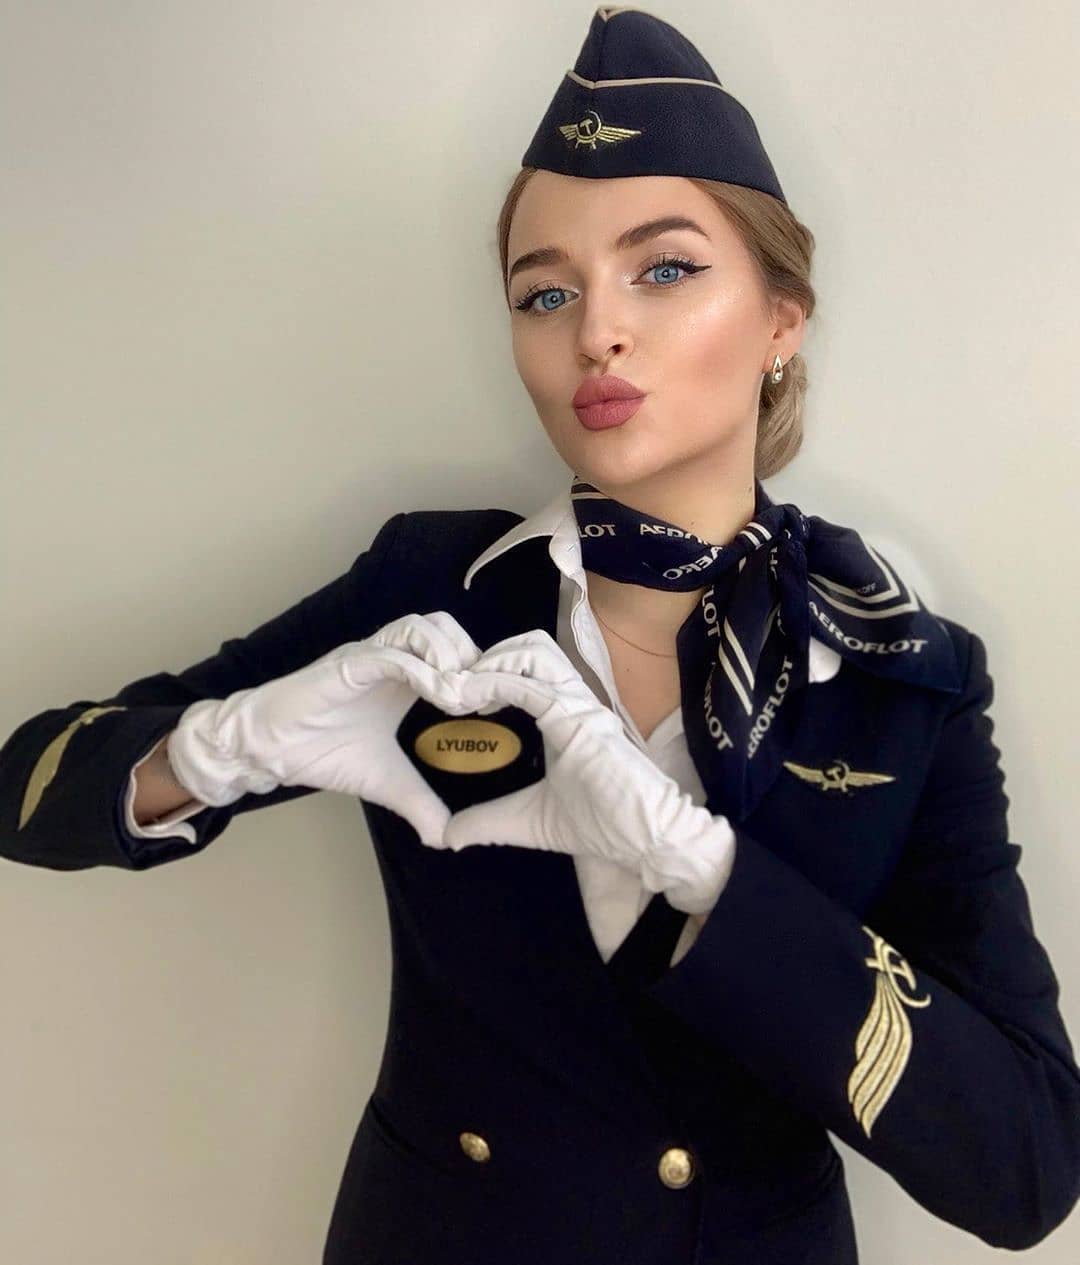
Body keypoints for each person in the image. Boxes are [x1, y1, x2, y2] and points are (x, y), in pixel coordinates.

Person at [2, 5, 1078, 1262]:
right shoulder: (431, 591)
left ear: (782, 318)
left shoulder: (901, 672)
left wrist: (714, 883)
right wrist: (211, 750)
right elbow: (25, 788)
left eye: (663, 268)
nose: (594, 330)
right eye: (545, 290)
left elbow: (1026, 1163)